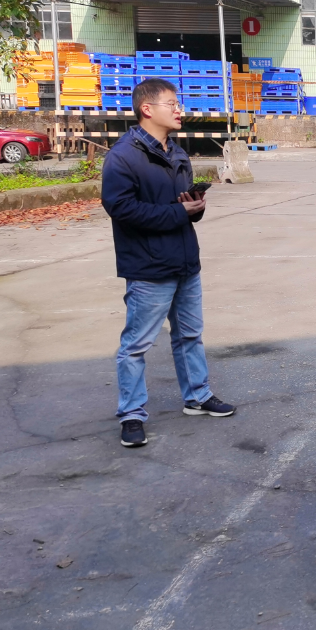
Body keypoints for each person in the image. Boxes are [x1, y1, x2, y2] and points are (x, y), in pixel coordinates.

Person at [102, 78, 235, 450]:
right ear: (147, 109)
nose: (180, 110)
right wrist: (178, 213)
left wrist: (194, 207)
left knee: (189, 335)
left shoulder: (177, 153)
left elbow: (182, 208)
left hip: (185, 261)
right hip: (148, 267)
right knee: (136, 346)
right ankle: (131, 414)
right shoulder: (124, 156)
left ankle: (197, 396)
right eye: (172, 104)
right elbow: (121, 209)